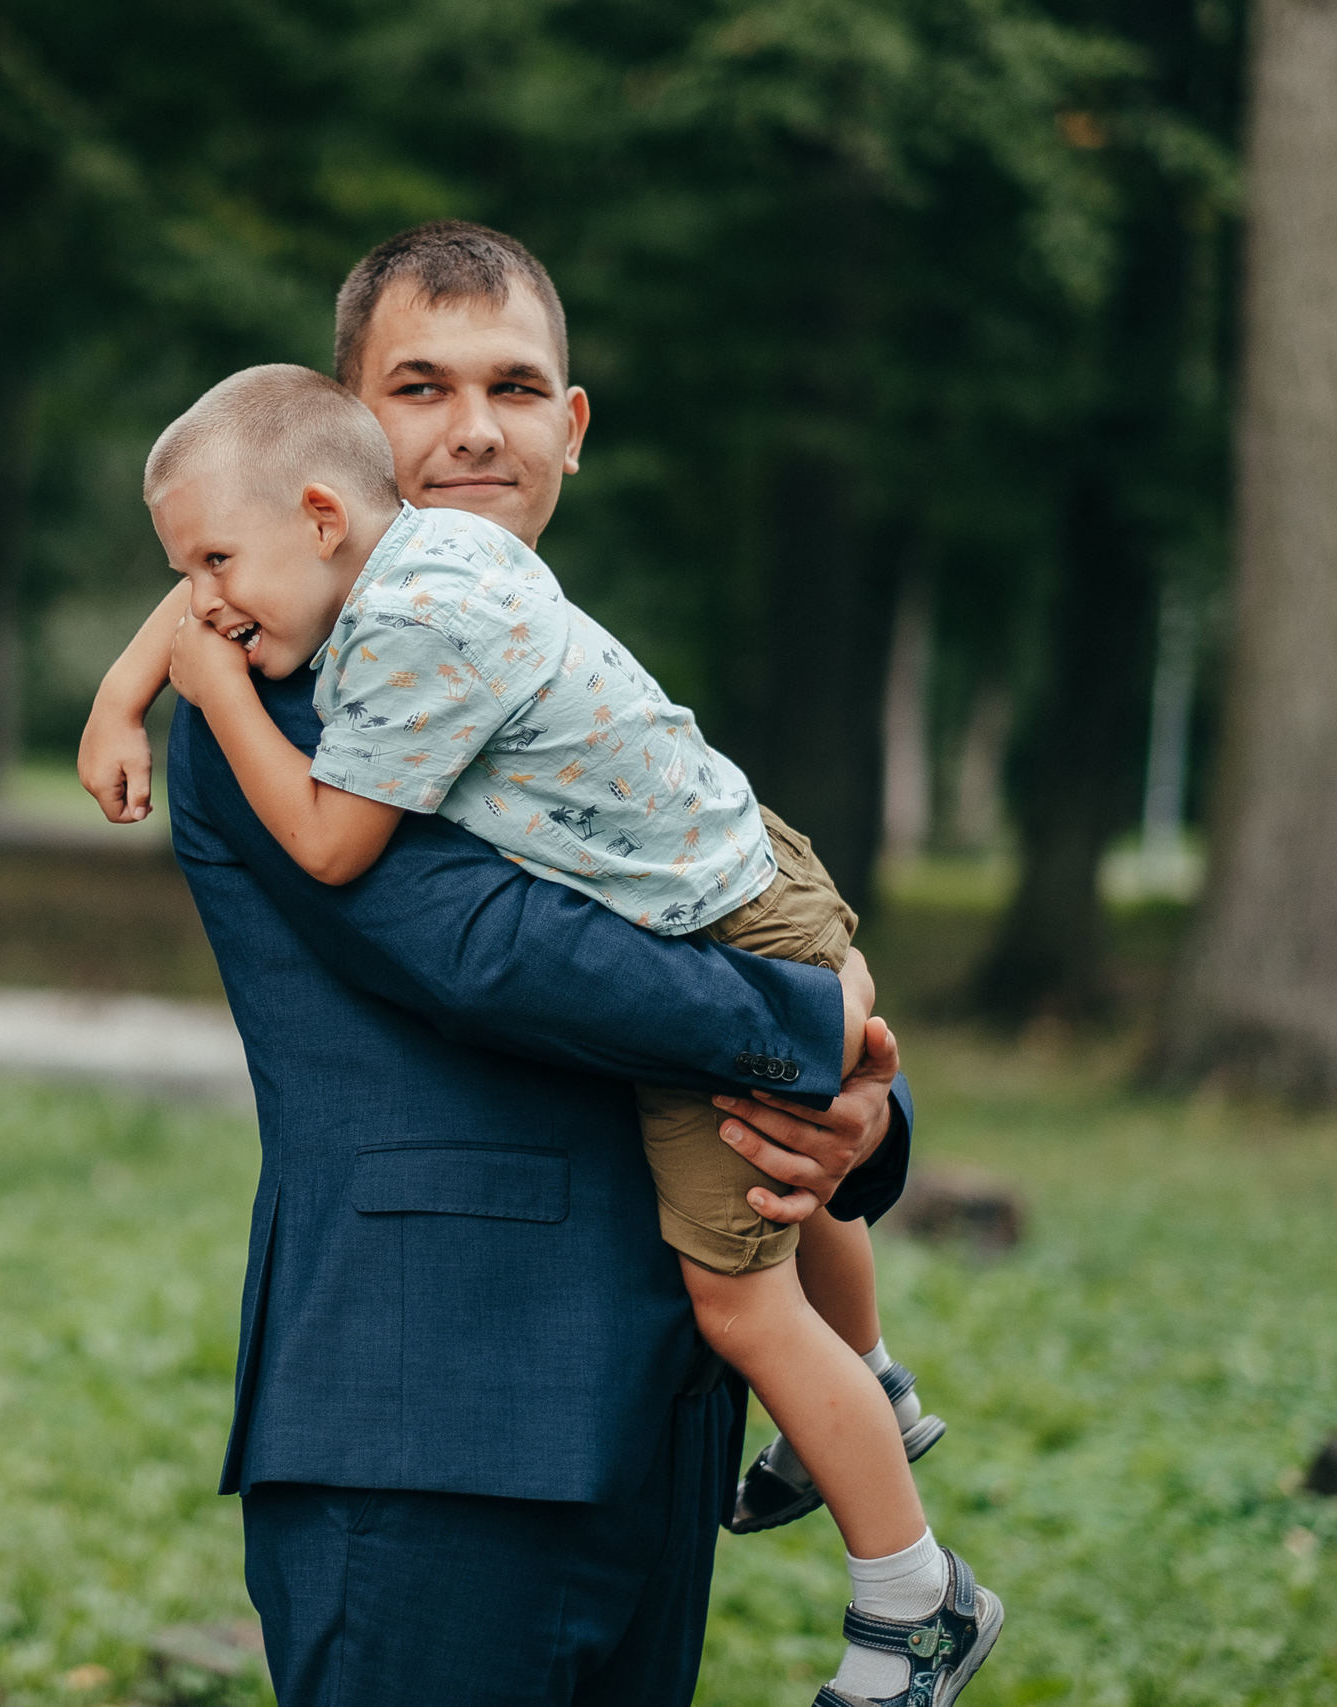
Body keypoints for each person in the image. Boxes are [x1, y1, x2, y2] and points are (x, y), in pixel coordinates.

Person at [69, 223, 936, 1705]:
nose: (475, 428)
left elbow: (698, 933)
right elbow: (498, 957)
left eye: (518, 388)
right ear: (342, 438)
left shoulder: (549, 676)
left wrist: (858, 1114)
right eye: (420, 386)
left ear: (571, 430)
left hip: (655, 1430)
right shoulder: (267, 696)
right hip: (431, 1430)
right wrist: (810, 1024)